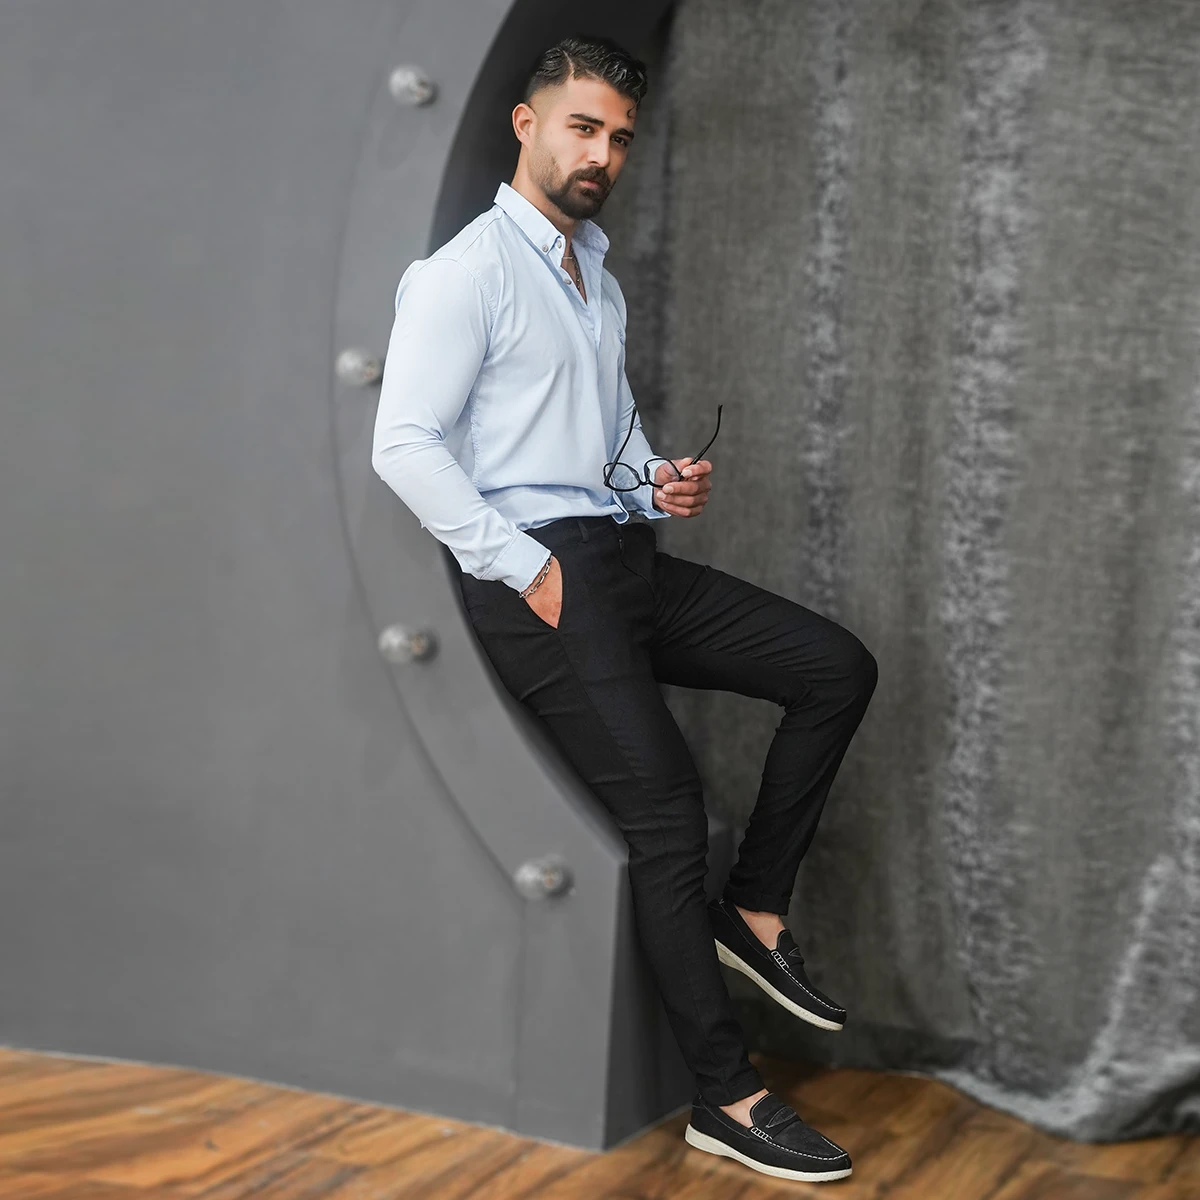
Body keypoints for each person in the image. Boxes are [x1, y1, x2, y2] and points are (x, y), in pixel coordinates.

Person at [371, 31, 877, 1184]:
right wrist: (527, 568)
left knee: (834, 667)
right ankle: (728, 1098)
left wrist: (654, 482)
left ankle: (753, 912)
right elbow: (403, 445)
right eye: (582, 128)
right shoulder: (463, 274)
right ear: (527, 125)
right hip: (544, 576)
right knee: (666, 816)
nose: (601, 153)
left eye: (619, 137)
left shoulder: (594, 277)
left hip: (621, 556)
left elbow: (604, 444)